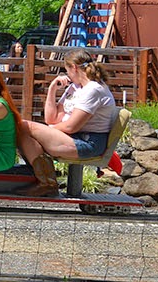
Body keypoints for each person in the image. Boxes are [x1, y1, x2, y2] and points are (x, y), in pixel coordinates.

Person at [13, 49, 119, 196]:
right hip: (73, 137)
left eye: (67, 70)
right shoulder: (75, 87)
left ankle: (47, 183)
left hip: (87, 142)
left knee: (23, 125)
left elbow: (71, 126)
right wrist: (52, 89)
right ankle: (45, 183)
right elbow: (51, 118)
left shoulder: (94, 89)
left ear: (74, 68)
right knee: (23, 134)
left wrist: (50, 130)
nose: (67, 74)